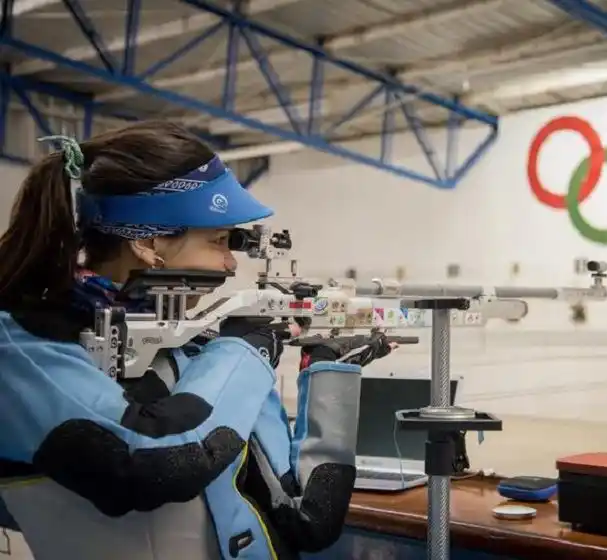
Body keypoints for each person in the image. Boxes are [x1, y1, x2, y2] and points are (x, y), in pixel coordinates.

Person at [0, 121, 394, 560]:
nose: (229, 264)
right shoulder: (23, 348)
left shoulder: (200, 350)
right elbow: (148, 460)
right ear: (150, 242)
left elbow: (309, 519)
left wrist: (329, 374)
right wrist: (247, 348)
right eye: (219, 241)